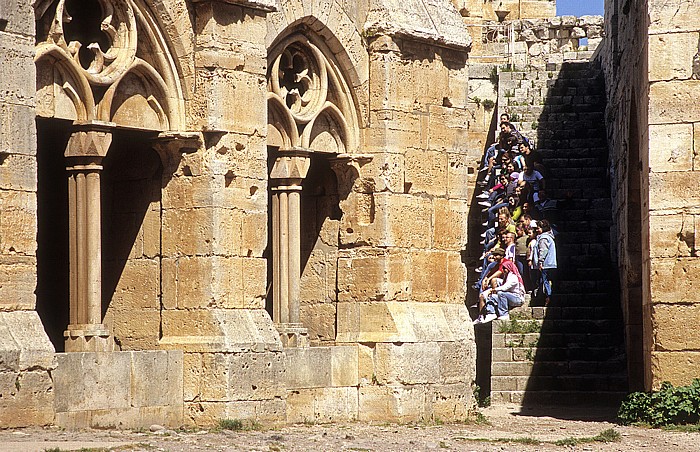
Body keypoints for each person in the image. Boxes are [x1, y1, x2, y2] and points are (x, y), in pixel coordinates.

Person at [536, 219, 557, 306]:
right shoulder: (550, 237)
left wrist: (540, 262)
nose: (537, 230)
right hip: (551, 263)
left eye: (538, 228)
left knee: (546, 281)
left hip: (546, 264)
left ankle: (549, 297)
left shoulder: (544, 238)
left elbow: (543, 250)